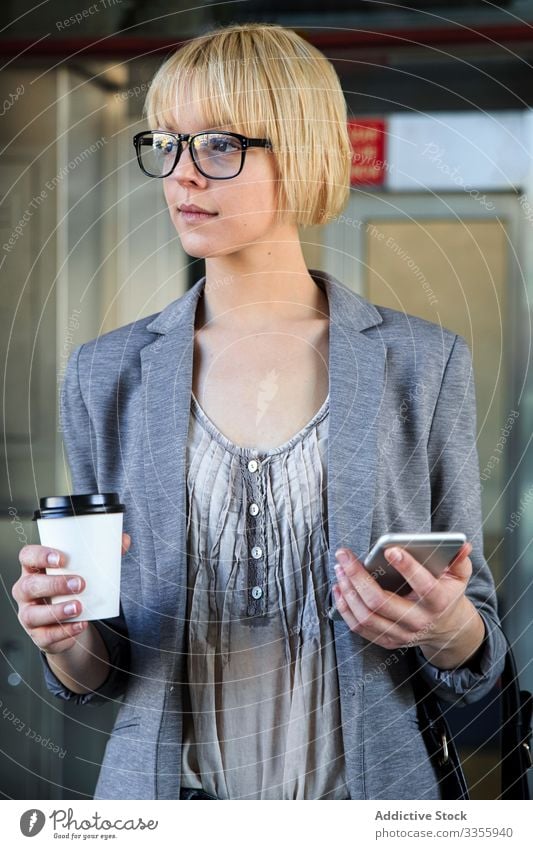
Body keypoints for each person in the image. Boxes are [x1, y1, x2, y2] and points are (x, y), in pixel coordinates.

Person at [13, 21, 506, 801]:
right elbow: (101, 670)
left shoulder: (422, 362)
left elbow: (475, 638)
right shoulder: (105, 375)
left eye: (217, 145)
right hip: (170, 809)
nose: (182, 176)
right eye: (166, 144)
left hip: (367, 806)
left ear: (300, 149)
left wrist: (445, 628)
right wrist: (65, 640)